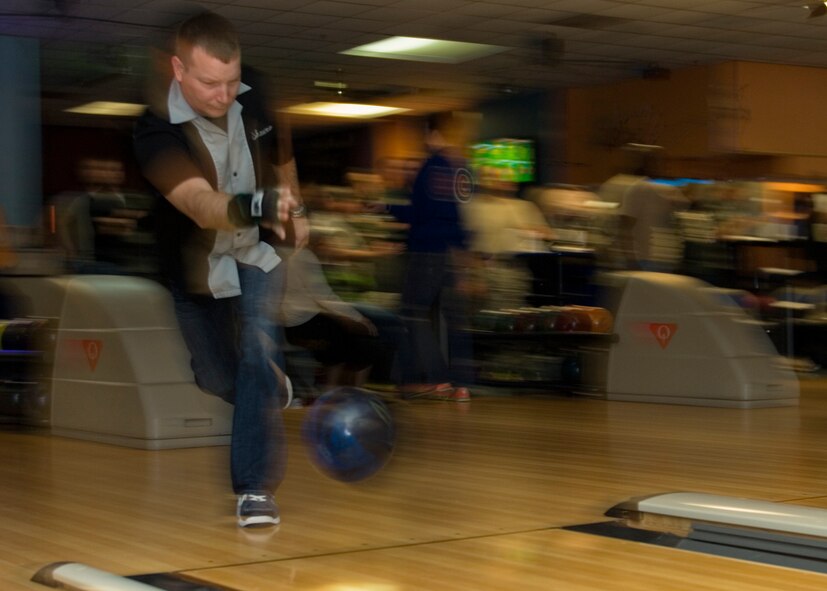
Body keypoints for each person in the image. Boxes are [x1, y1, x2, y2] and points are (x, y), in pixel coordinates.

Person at [133, 11, 308, 528]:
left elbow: (282, 160)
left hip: (258, 250)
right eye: (210, 82)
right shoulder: (153, 130)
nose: (224, 94)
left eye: (231, 81)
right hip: (195, 265)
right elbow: (200, 204)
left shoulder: (255, 92)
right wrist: (258, 205)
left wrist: (295, 210)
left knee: (257, 345)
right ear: (178, 70)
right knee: (214, 375)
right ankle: (269, 389)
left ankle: (253, 489)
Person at [371, 112, 476, 401]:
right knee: (456, 320)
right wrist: (466, 259)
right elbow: (462, 214)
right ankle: (463, 384)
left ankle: (434, 377)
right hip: (453, 254)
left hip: (428, 250)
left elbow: (419, 213)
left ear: (432, 134)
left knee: (413, 313)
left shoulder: (431, 167)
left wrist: (386, 208)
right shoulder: (462, 168)